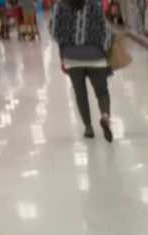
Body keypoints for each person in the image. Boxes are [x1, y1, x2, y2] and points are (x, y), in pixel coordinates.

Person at [50, 0, 114, 141]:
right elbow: (105, 30)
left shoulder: (59, 6)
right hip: (95, 55)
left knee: (80, 93)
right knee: (102, 91)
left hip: (72, 57)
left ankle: (88, 128)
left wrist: (66, 43)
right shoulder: (95, 5)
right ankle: (105, 116)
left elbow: (54, 32)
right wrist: (106, 49)